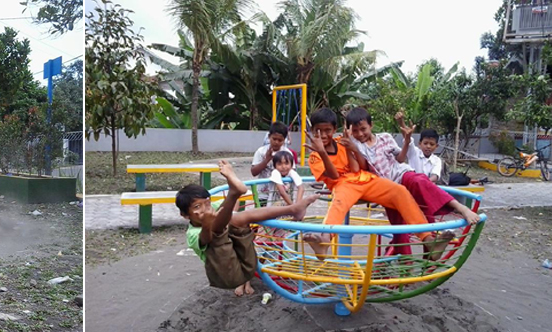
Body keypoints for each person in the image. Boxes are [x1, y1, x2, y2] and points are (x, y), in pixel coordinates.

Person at [303, 108, 448, 260]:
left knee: (400, 191)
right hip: (343, 185)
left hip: (365, 178)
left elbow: (356, 168)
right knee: (339, 202)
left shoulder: (342, 141)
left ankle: (428, 239)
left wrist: (349, 149)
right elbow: (333, 175)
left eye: (327, 130)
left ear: (334, 129)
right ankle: (325, 240)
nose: (323, 135)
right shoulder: (314, 156)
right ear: (312, 131)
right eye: (318, 131)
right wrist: (322, 153)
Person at [346, 108, 479, 258]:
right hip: (387, 188)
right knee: (399, 227)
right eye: (355, 131)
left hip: (401, 174)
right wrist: (352, 146)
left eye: (363, 129)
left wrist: (407, 140)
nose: (360, 134)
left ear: (371, 125)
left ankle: (460, 208)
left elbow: (401, 159)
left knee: (420, 181)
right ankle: (408, 263)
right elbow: (361, 168)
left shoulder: (385, 138)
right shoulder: (355, 145)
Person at [177, 160, 318, 296]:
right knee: (218, 229)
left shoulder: (210, 209)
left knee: (237, 217)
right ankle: (235, 191)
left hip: (246, 259)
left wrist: (232, 190)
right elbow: (207, 237)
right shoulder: (192, 234)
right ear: (184, 215)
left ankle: (292, 209)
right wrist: (210, 221)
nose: (205, 209)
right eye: (197, 207)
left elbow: (231, 207)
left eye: (207, 203)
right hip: (227, 272)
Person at [251, 123, 299, 203]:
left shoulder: (287, 153)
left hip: (282, 196)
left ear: (284, 139)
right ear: (269, 136)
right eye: (274, 139)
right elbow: (253, 172)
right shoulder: (261, 152)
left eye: (280, 140)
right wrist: (267, 160)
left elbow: (292, 171)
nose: (276, 142)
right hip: (263, 194)